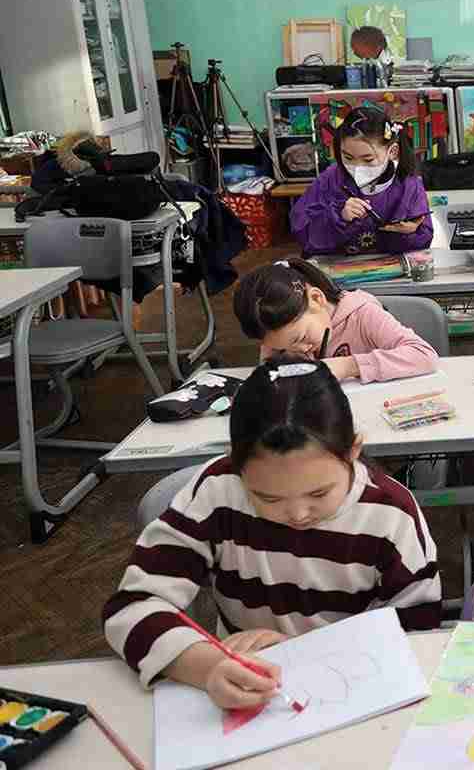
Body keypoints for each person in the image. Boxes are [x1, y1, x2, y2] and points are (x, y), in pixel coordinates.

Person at [102, 359, 441, 707]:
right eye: (268, 498)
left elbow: (419, 631)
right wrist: (208, 667)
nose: (297, 514)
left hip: (352, 688)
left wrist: (304, 652)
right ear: (235, 462)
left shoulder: (390, 513)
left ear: (353, 451)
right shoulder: (217, 491)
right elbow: (132, 607)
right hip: (243, 684)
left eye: (319, 493)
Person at [234, 258, 438, 384]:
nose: (301, 349)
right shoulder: (275, 330)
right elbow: (269, 373)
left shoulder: (363, 315)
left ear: (316, 299)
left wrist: (349, 366)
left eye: (301, 338)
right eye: (284, 347)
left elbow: (424, 355)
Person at [291, 106, 432, 256]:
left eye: (368, 159)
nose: (357, 168)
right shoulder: (330, 179)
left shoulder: (408, 184)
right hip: (337, 265)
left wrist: (409, 234)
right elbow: (302, 232)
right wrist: (339, 216)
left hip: (388, 266)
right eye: (348, 157)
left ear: (392, 151)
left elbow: (424, 242)